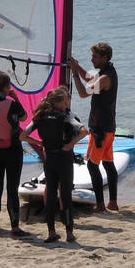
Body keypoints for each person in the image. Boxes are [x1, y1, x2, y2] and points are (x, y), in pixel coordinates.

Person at [24, 87, 87, 244]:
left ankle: (51, 232)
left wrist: (39, 143)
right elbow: (84, 131)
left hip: (49, 158)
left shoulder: (40, 115)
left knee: (51, 195)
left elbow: (22, 135)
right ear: (60, 102)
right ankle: (69, 233)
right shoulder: (67, 116)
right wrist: (70, 145)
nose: (67, 103)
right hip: (64, 158)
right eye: (66, 100)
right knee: (65, 196)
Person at [70, 42, 119, 212]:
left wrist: (74, 74)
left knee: (92, 164)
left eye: (95, 57)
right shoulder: (106, 72)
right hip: (108, 127)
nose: (92, 60)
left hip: (100, 129)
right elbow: (89, 78)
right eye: (91, 56)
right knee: (107, 163)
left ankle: (100, 204)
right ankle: (112, 202)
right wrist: (77, 67)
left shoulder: (105, 78)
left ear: (105, 58)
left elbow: (83, 93)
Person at [0, 72, 29, 237]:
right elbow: (24, 117)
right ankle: (14, 228)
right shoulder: (12, 104)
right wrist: (15, 97)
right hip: (12, 151)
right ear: (7, 87)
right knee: (12, 189)